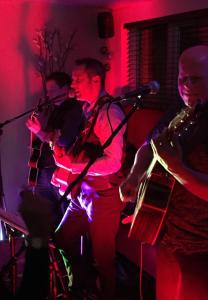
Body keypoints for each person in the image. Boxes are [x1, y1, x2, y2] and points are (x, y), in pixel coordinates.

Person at [120, 45, 208, 300]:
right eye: (181, 78)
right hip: (166, 235)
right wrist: (134, 176)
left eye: (195, 79)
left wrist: (176, 167)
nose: (186, 85)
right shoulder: (177, 108)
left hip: (202, 247)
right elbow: (147, 148)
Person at [53, 58, 127, 300]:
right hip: (83, 194)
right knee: (62, 238)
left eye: (77, 79)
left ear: (96, 80)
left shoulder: (109, 112)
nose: (72, 84)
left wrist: (73, 164)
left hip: (103, 196)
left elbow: (113, 162)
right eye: (72, 79)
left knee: (104, 258)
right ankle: (80, 285)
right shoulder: (88, 109)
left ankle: (106, 293)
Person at [26, 72, 84, 227]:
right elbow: (49, 138)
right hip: (45, 168)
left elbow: (63, 140)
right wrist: (37, 133)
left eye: (52, 90)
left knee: (60, 219)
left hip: (59, 173)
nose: (48, 94)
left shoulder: (73, 109)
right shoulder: (55, 110)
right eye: (47, 90)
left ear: (65, 88)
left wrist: (40, 131)